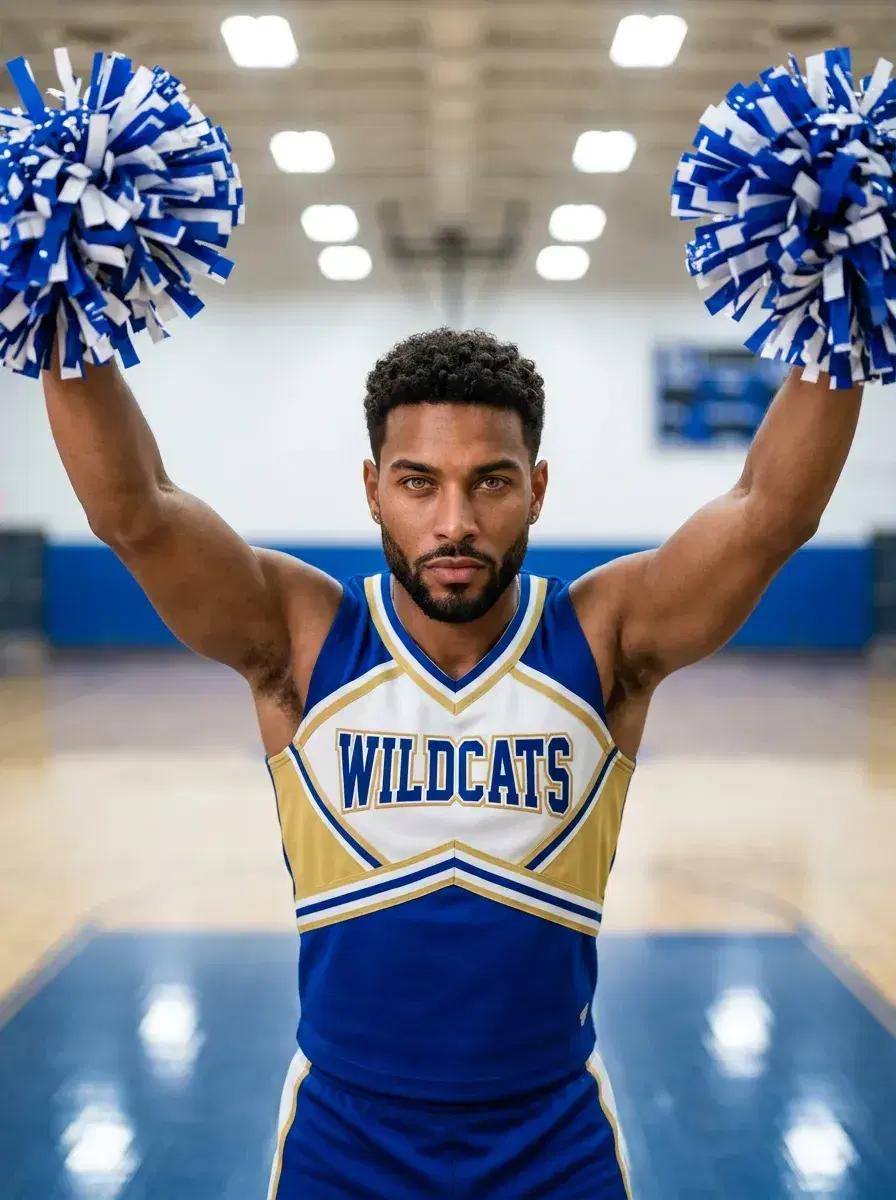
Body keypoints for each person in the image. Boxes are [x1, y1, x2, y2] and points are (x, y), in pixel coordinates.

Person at [42, 327, 862, 1199]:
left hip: (553, 1144)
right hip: (344, 1143)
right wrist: (63, 310)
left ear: (537, 488)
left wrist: (841, 316)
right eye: (418, 482)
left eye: (492, 481)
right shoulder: (304, 638)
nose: (455, 522)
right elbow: (133, 512)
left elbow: (773, 513)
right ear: (373, 489)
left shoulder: (604, 636)